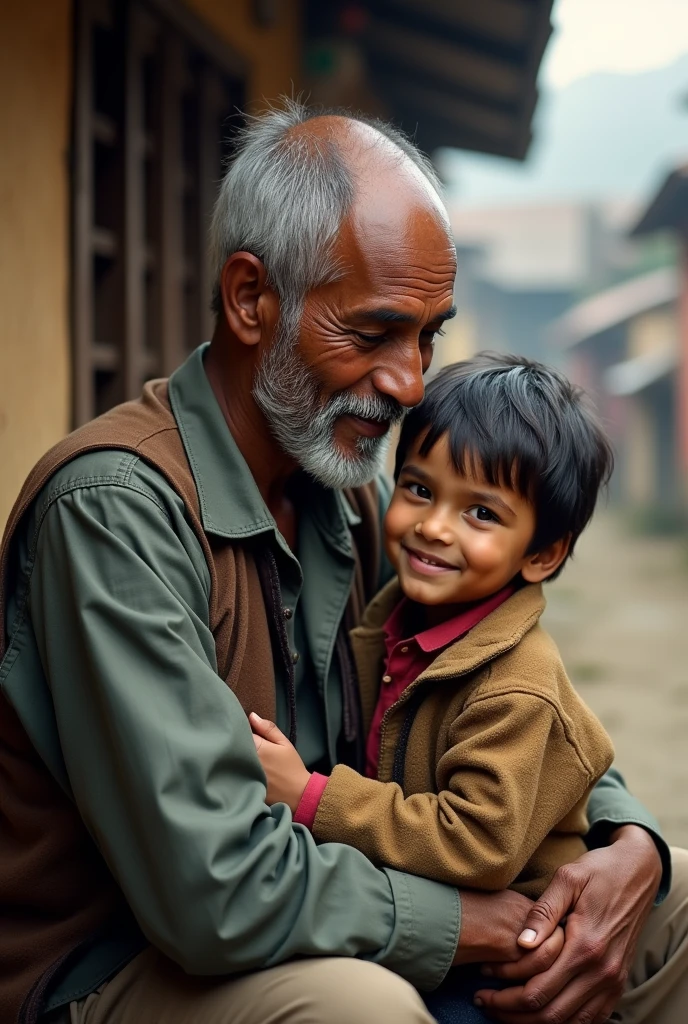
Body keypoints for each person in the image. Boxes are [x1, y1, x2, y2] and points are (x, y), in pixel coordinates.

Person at [0, 101, 685, 1024]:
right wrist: (468, 924)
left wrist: (627, 836)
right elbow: (213, 894)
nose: (410, 382)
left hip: (332, 885)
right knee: (360, 1009)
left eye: (430, 334)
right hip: (124, 958)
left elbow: (493, 684)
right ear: (251, 299)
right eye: (372, 334)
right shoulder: (117, 513)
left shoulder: (349, 488)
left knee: (674, 897)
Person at [251, 353, 617, 1019]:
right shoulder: (392, 622)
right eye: (420, 489)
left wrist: (312, 799)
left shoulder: (516, 686)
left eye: (480, 512)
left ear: (542, 554)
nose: (435, 526)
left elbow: (476, 844)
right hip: (432, 928)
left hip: (507, 964)